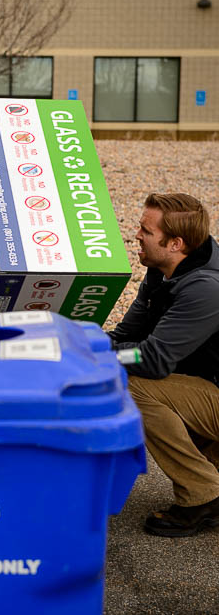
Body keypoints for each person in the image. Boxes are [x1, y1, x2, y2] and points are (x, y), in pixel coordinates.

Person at [109, 193, 219, 537]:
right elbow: (126, 335)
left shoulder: (205, 288)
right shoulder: (162, 270)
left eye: (145, 230)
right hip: (206, 387)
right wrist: (81, 342)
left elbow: (151, 359)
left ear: (175, 243)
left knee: (127, 384)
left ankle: (202, 495)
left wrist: (102, 357)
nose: (136, 235)